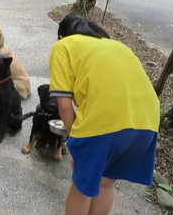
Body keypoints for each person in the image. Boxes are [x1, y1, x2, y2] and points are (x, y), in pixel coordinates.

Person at [48, 15, 160, 215]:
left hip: (104, 125)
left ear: (62, 36)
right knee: (106, 182)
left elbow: (64, 105)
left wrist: (75, 142)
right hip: (147, 123)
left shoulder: (63, 46)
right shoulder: (117, 46)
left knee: (82, 187)